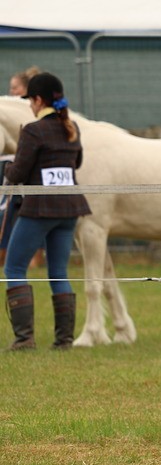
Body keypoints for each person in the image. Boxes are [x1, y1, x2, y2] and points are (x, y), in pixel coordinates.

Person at [3, 73, 90, 350]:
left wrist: (6, 168)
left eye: (30, 100)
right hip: (69, 209)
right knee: (58, 273)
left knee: (14, 268)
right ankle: (63, 340)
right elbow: (76, 162)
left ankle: (24, 338)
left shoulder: (32, 130)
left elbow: (17, 173)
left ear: (38, 100)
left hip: (40, 210)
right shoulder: (71, 127)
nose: (30, 105)